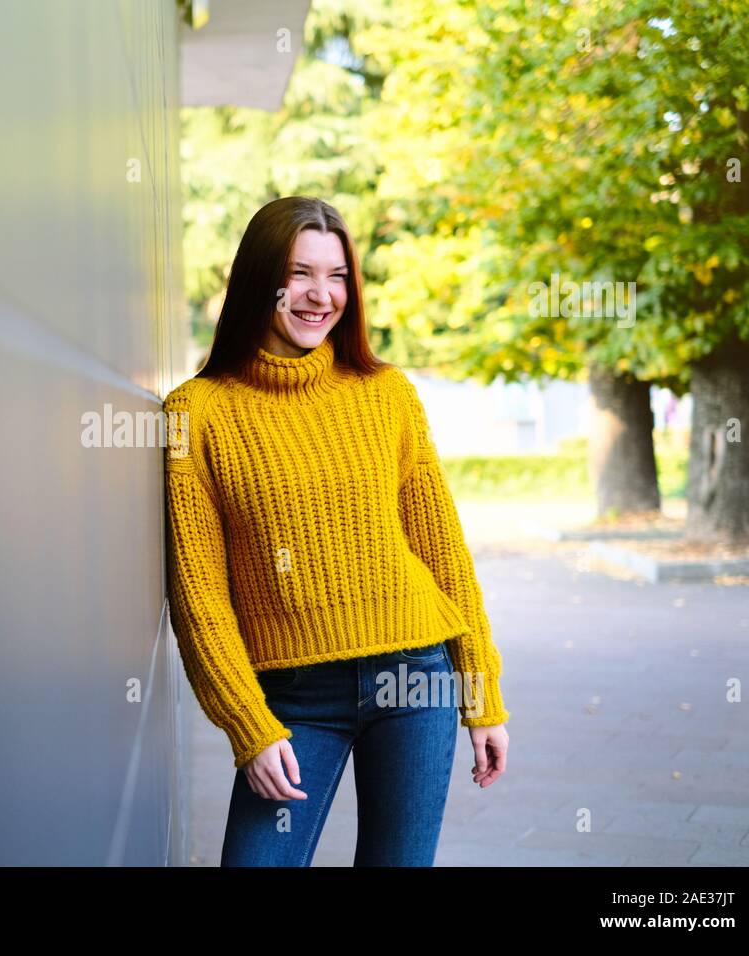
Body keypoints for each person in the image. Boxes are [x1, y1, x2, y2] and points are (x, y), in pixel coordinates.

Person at [162, 196, 510, 866]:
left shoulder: (388, 395)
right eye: (300, 273)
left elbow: (443, 552)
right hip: (293, 698)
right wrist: (249, 725)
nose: (321, 295)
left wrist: (482, 694)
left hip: (416, 679)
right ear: (259, 278)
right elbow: (198, 595)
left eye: (339, 275)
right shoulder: (196, 414)